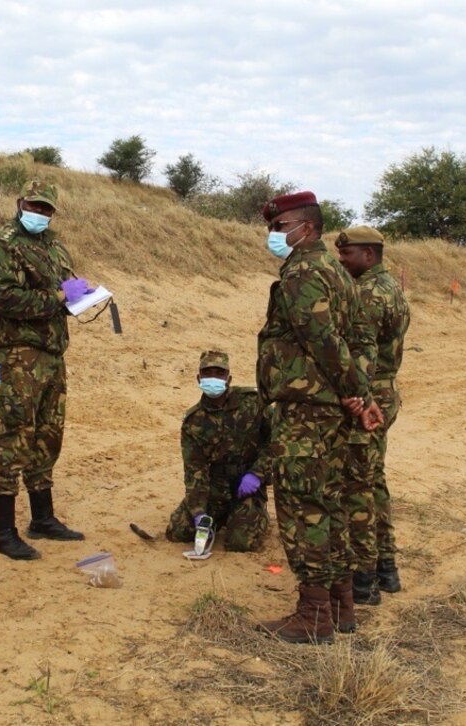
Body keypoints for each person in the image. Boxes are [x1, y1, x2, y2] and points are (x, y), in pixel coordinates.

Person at [253, 191, 381, 645]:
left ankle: (314, 616)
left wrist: (352, 391)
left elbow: (323, 339)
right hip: (332, 412)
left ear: (304, 227)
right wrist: (359, 391)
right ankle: (342, 607)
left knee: (303, 507)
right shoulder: (337, 272)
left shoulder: (304, 271)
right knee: (331, 504)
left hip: (308, 411)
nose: (273, 234)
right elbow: (365, 341)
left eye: (278, 226)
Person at [0, 180, 94, 560]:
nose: (40, 214)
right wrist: (59, 297)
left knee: (48, 435)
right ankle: (4, 531)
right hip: (17, 355)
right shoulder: (2, 245)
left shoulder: (54, 245)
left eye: (46, 209)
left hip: (51, 353)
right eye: (34, 206)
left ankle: (42, 518)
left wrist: (80, 293)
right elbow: (7, 299)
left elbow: (63, 288)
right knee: (16, 436)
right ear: (19, 203)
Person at [335, 226, 411, 603]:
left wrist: (358, 397)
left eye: (347, 254)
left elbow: (359, 355)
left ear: (368, 255)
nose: (341, 260)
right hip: (385, 391)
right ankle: (386, 568)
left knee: (357, 487)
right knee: (373, 481)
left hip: (369, 397)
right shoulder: (391, 288)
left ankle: (363, 579)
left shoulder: (366, 294)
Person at [165, 350, 270, 552]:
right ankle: (217, 517)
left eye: (219, 373)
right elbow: (195, 470)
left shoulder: (253, 403)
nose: (213, 378)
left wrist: (257, 474)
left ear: (228, 378)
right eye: (207, 373)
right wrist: (198, 512)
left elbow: (277, 441)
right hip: (214, 487)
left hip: (246, 486)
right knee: (178, 532)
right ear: (199, 378)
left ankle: (257, 514)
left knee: (240, 543)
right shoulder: (194, 421)